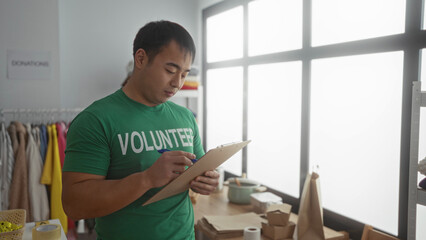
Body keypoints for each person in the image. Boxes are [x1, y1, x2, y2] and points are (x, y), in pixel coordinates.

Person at [62, 20, 219, 240]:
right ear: (141, 59)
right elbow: (74, 205)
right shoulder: (95, 120)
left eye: (184, 74)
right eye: (170, 70)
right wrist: (146, 179)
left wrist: (208, 180)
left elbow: (198, 168)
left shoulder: (185, 117)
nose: (177, 83)